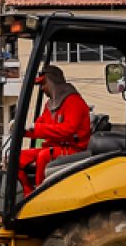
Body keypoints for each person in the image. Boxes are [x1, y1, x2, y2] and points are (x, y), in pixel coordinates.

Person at [17, 65, 92, 193]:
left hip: (75, 149)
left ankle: (40, 194)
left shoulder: (74, 101)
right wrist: (22, 130)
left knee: (44, 156)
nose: (42, 89)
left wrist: (36, 127)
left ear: (52, 82)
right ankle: (27, 192)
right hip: (55, 147)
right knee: (17, 157)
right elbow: (39, 125)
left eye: (43, 84)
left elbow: (67, 130)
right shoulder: (50, 105)